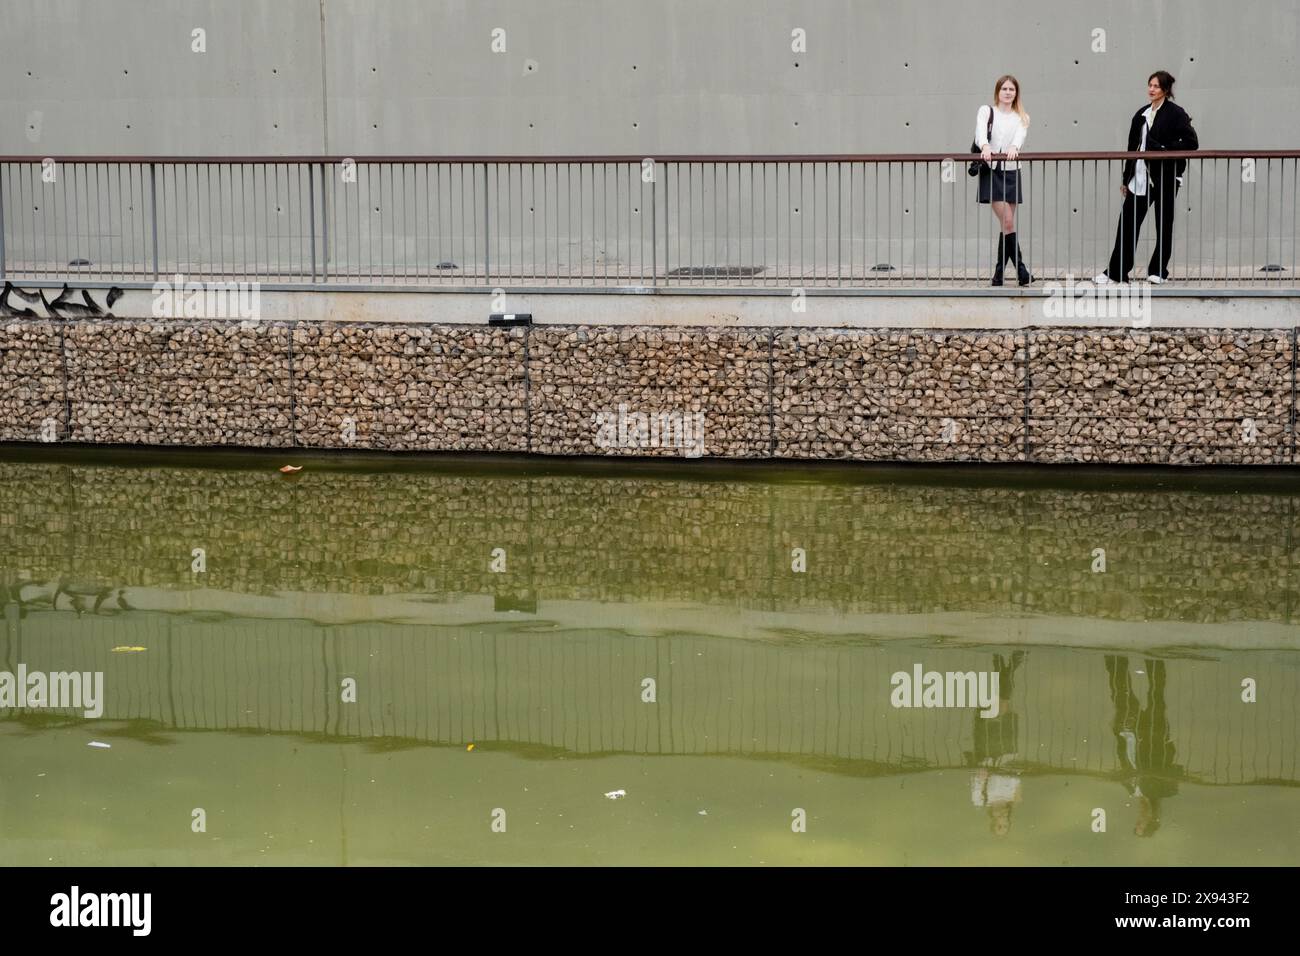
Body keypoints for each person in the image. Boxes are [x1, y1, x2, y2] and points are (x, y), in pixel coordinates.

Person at [1096, 71, 1199, 284]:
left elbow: (1191, 142)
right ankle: (1116, 272)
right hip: (1140, 177)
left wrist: (1163, 149)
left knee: (1164, 223)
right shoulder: (1141, 114)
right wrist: (1126, 179)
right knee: (1127, 223)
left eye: (1156, 86)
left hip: (1165, 177)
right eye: (1149, 85)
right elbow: (1132, 148)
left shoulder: (1176, 113)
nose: (1151, 89)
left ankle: (1157, 271)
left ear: (1166, 90)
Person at [1104, 656, 1183, 837]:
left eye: (1138, 821)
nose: (1139, 817)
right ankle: (1154, 657)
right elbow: (1173, 766)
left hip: (1128, 730)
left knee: (1121, 690)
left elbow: (1125, 761)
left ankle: (1116, 657)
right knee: (1156, 694)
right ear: (1152, 818)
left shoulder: (1133, 790)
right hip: (1152, 735)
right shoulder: (1164, 790)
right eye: (1142, 822)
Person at [975, 76, 1033, 286]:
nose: (1008, 92)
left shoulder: (1022, 117)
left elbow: (1019, 138)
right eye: (1004, 88)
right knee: (1008, 221)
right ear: (997, 91)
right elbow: (980, 132)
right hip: (992, 170)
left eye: (1012, 89)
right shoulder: (986, 111)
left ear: (1016, 93)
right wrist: (985, 146)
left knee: (1006, 225)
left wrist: (1015, 147)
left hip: (1011, 171)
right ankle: (1022, 269)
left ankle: (999, 273)